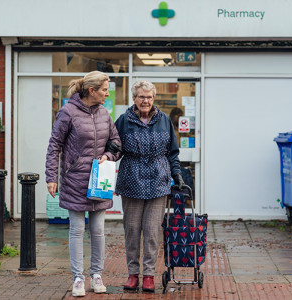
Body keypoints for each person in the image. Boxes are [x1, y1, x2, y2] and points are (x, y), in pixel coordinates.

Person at [45, 71, 121, 297]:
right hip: (75, 180)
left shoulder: (104, 114)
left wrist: (108, 155)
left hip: (100, 181)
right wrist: (51, 177)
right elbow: (54, 145)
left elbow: (116, 141)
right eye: (104, 89)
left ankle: (96, 275)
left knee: (97, 231)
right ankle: (78, 278)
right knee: (77, 230)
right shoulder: (68, 112)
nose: (107, 93)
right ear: (92, 90)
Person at [114, 80, 186, 293]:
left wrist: (178, 175)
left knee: (153, 231)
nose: (145, 101)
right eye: (141, 97)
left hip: (158, 181)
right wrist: (106, 158)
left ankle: (148, 275)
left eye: (149, 97)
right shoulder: (123, 121)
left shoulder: (164, 120)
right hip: (131, 180)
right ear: (134, 98)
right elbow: (115, 148)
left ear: (153, 98)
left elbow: (172, 152)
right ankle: (133, 274)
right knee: (132, 230)